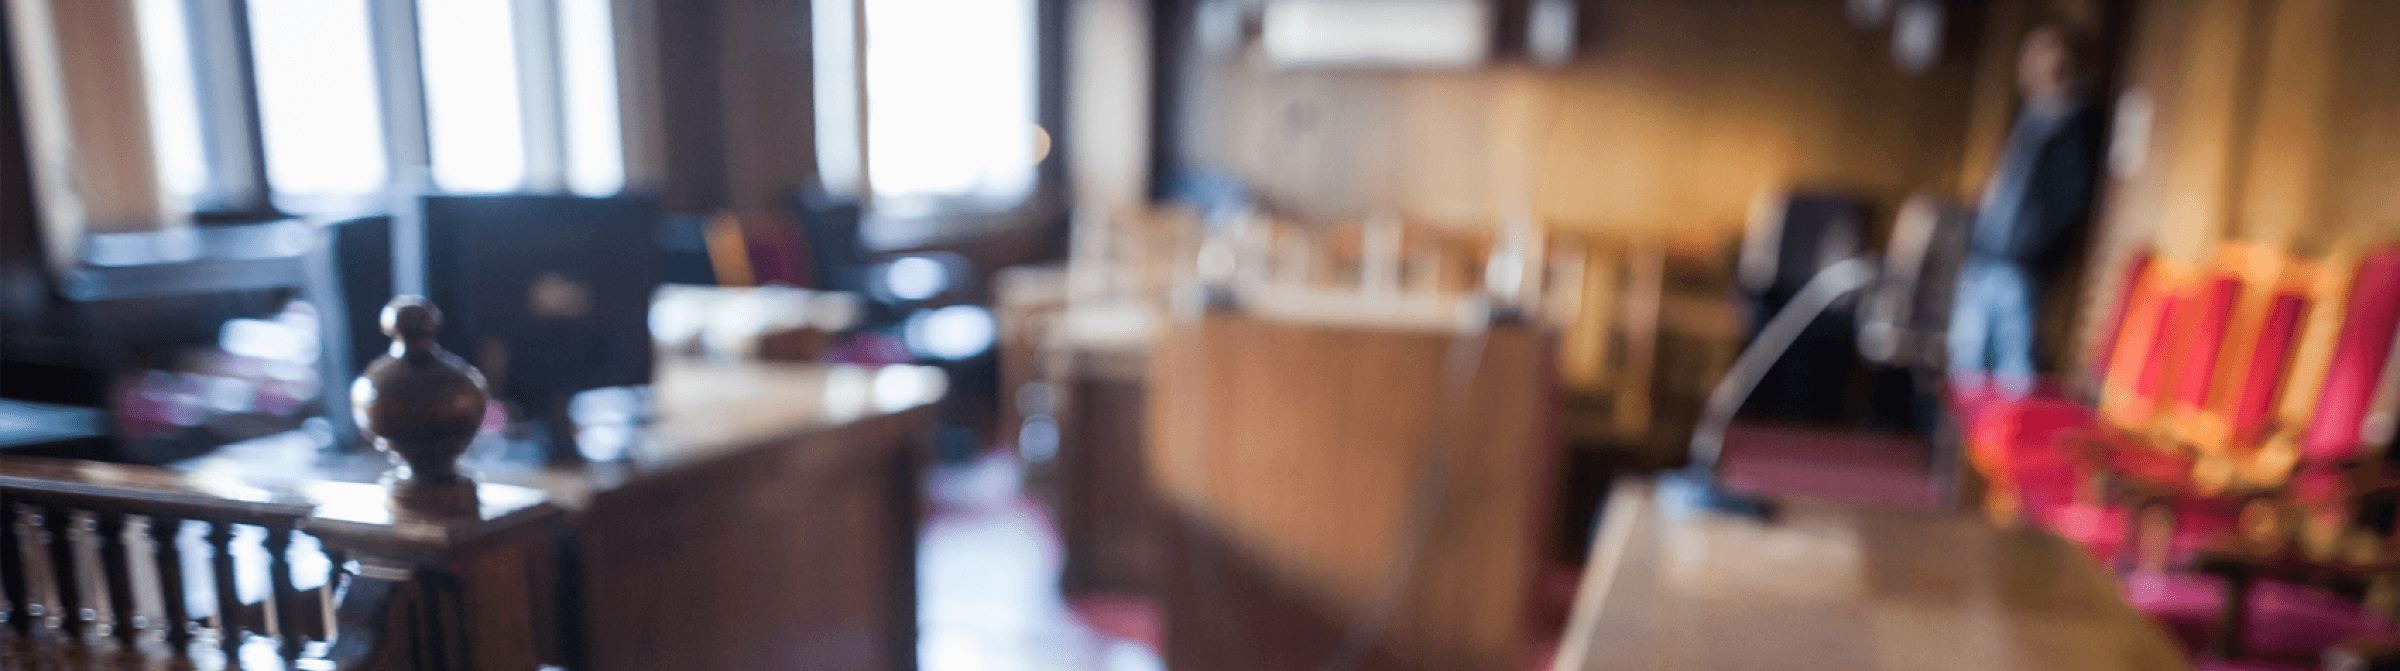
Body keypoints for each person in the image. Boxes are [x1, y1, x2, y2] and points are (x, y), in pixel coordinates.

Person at [1948, 25, 2103, 398]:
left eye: (2045, 54)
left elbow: (2070, 198)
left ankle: (2002, 450)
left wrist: (2036, 246)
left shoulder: (2076, 120)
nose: (2034, 64)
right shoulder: (2029, 115)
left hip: (2023, 265)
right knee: (1966, 368)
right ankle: (1964, 455)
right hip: (1985, 256)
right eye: (2030, 54)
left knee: (2014, 373)